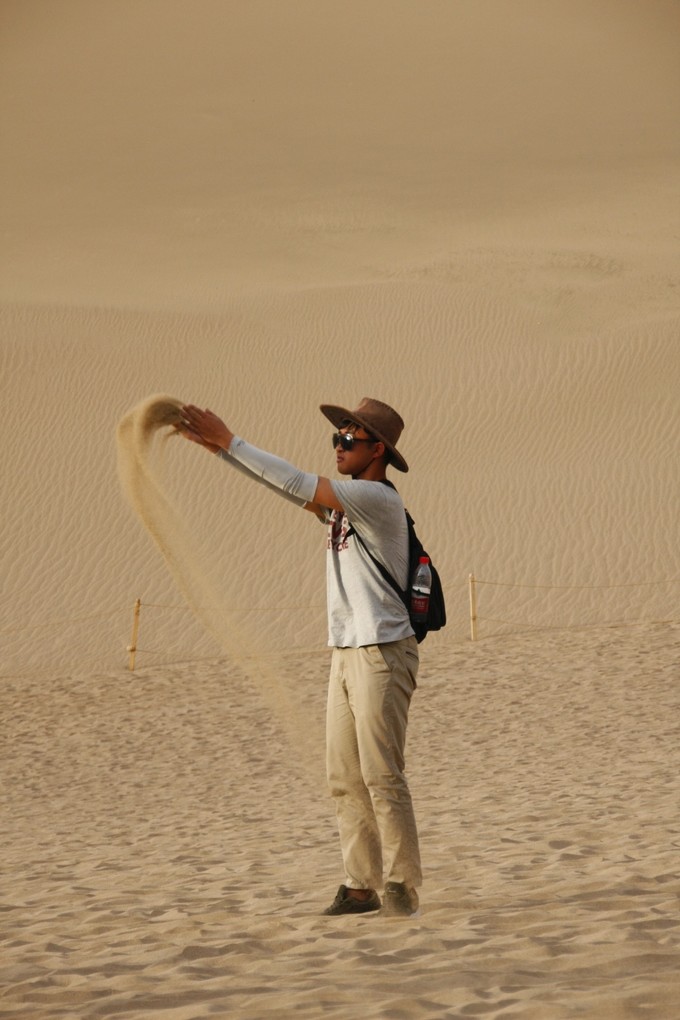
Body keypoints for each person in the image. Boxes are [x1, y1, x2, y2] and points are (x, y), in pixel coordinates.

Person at [177, 397, 421, 918]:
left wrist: (231, 439)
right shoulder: (344, 507)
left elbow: (295, 480)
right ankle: (361, 886)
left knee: (382, 776)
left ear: (378, 450)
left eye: (348, 439)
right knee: (344, 776)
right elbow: (287, 490)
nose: (338, 446)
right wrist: (221, 452)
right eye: (336, 438)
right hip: (346, 651)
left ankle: (402, 887)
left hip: (382, 651)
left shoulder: (374, 499)